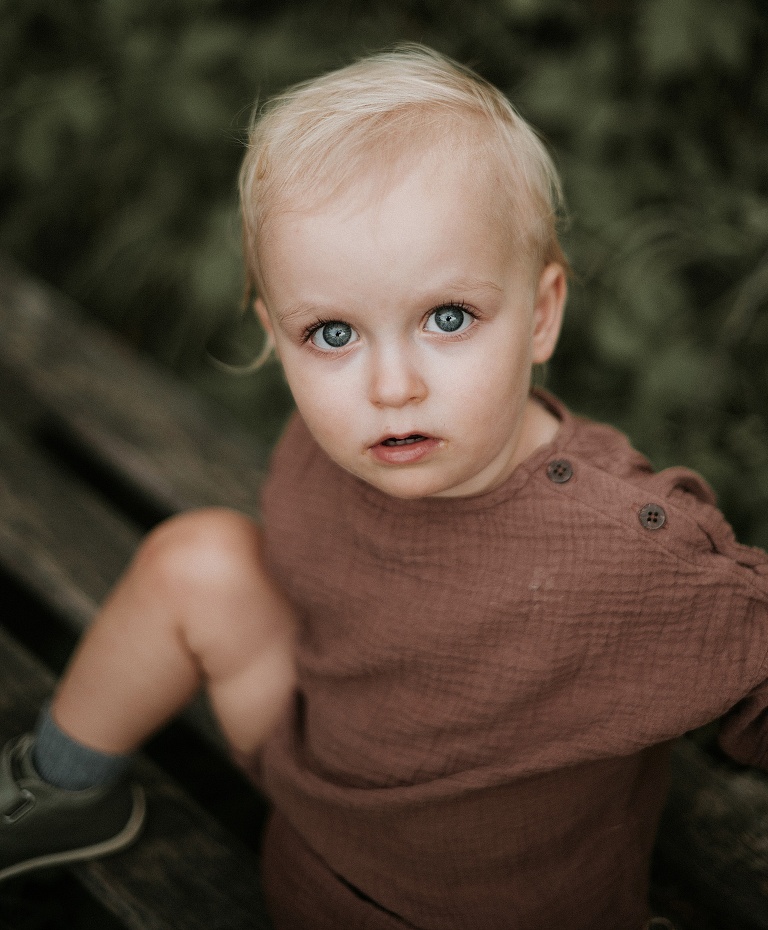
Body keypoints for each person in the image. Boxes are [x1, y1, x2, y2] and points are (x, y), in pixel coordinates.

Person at [2, 46, 767, 930]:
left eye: (448, 319)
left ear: (543, 312)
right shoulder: (338, 444)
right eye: (332, 333)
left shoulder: (630, 549)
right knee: (198, 559)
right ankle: (61, 786)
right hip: (316, 819)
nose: (389, 384)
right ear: (277, 335)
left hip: (490, 908)